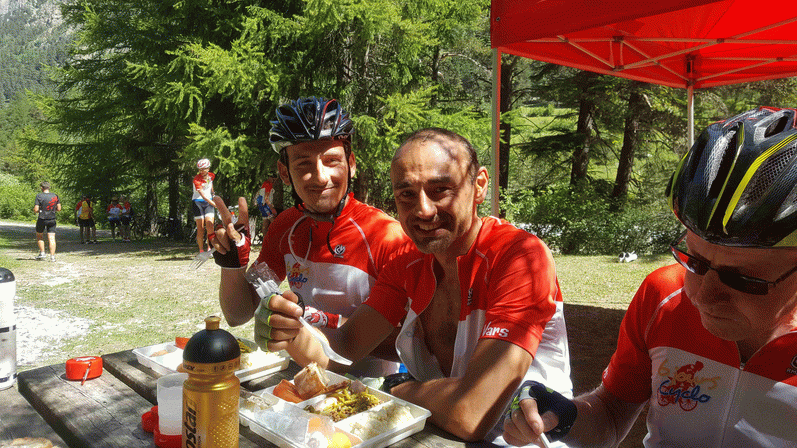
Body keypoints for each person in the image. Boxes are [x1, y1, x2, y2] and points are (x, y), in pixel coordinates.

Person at [502, 106, 797, 447]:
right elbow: (612, 412)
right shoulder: (664, 296)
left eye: (742, 278)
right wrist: (561, 414)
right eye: (695, 261)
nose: (702, 296)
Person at [258, 128, 572, 444]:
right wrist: (290, 331)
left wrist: (398, 389)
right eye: (407, 194)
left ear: (479, 186)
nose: (423, 210)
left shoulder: (518, 257)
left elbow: (471, 413)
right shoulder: (408, 262)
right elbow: (345, 349)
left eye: (440, 190)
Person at [213, 97, 411, 378]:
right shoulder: (284, 227)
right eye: (304, 164)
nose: (320, 177)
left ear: (351, 164)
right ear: (285, 173)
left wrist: (312, 329)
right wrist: (233, 264)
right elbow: (238, 315)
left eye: (332, 161)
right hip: (305, 377)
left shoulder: (386, 235)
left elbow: (412, 344)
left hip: (370, 387)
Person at [192, 158, 217, 253]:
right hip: (198, 202)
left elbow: (211, 185)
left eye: (203, 169)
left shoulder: (211, 176)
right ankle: (201, 250)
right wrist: (214, 204)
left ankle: (210, 247)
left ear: (208, 168)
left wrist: (213, 194)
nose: (201, 171)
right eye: (200, 169)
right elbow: (203, 195)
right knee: (201, 228)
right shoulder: (196, 179)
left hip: (209, 202)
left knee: (210, 225)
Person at [33, 181, 62, 261]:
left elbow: (36, 209)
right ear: (49, 187)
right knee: (52, 238)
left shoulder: (39, 196)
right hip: (52, 218)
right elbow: (59, 208)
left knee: (39, 236)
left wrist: (38, 211)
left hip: (42, 218)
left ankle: (42, 253)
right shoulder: (55, 196)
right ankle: (52, 257)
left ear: (41, 188)